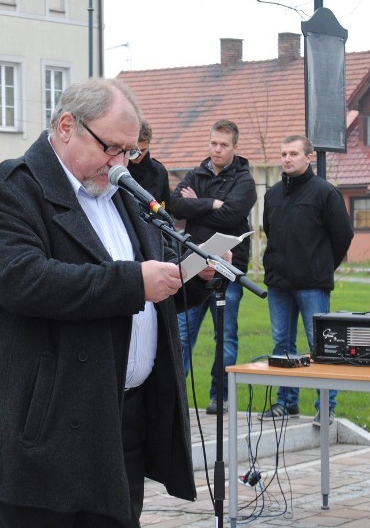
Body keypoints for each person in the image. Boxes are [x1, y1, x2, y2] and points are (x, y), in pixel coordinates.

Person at [0, 78, 215, 528]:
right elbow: (26, 281)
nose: (121, 163)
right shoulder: (6, 190)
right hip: (43, 430)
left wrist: (194, 276)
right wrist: (135, 283)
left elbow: (154, 281)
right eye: (112, 148)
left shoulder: (123, 194)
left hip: (120, 422)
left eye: (130, 152)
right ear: (66, 127)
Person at [260, 134, 354, 426]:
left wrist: (322, 267)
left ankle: (326, 407)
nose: (287, 159)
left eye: (293, 153)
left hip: (312, 284)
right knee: (282, 345)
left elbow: (343, 235)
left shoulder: (325, 192)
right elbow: (269, 230)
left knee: (321, 346)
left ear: (308, 157)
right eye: (283, 153)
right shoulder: (272, 194)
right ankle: (286, 403)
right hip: (279, 284)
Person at [169, 119, 257, 415]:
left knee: (225, 338)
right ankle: (175, 397)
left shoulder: (244, 180)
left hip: (227, 270)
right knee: (181, 336)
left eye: (223, 145)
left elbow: (232, 216)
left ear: (235, 146)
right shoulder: (196, 173)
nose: (217, 150)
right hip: (193, 267)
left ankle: (220, 396)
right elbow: (174, 206)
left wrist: (201, 205)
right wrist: (213, 204)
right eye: (213, 143)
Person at [127, 119, 170, 211]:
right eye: (133, 150)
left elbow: (166, 208)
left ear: (149, 145)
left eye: (142, 150)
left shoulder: (160, 171)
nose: (137, 155)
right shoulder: (116, 170)